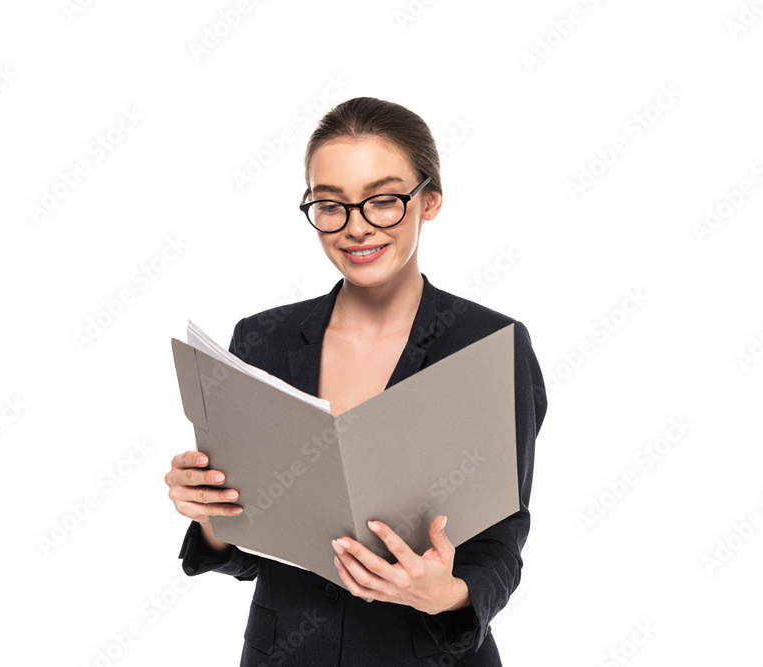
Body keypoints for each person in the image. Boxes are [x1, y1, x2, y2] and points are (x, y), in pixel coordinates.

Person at [165, 96, 547, 666]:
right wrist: (212, 517)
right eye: (331, 205)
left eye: (384, 201)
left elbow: (502, 538)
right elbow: (255, 550)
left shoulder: (488, 345)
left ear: (430, 201)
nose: (356, 227)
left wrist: (448, 595)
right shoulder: (262, 339)